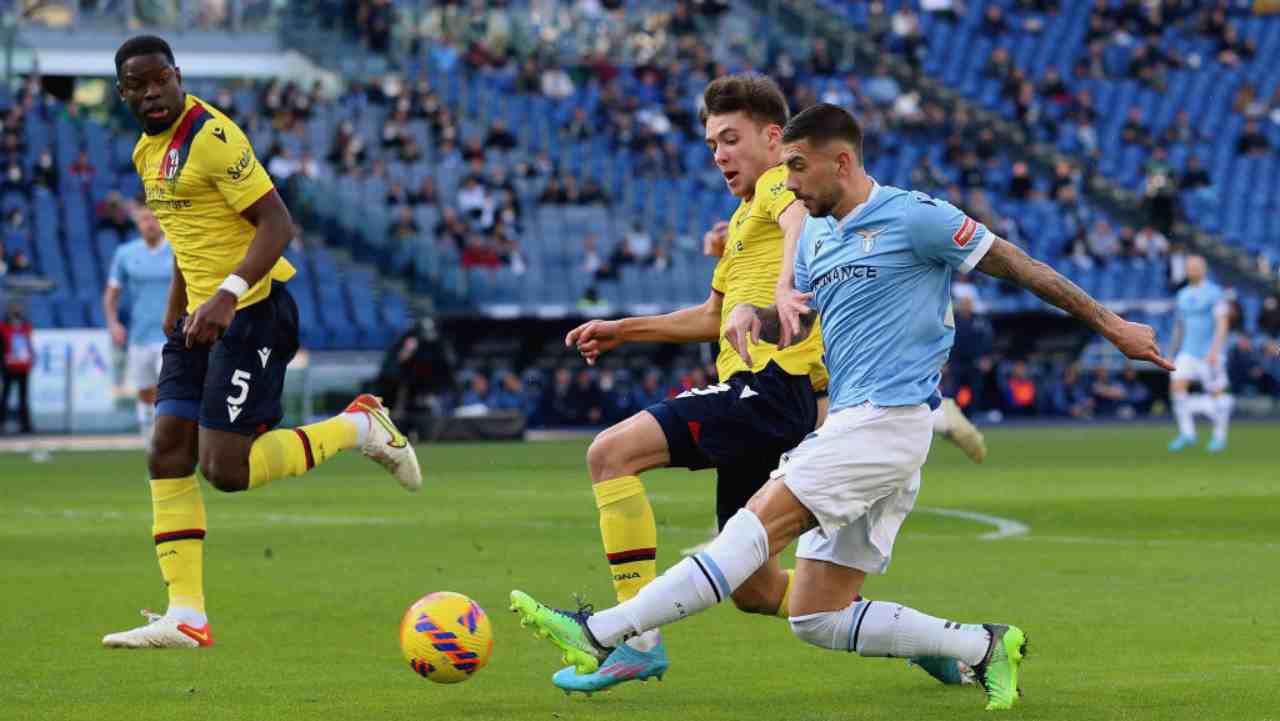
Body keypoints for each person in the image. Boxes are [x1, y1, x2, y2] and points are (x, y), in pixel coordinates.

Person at [513, 102, 1171, 711]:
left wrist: (1112, 324)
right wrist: (755, 316)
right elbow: (793, 327)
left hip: (885, 421)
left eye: (798, 167)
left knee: (748, 530)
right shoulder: (822, 244)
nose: (789, 182)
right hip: (866, 426)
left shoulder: (918, 216)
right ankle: (982, 645)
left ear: (842, 163)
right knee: (815, 614)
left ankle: (606, 630)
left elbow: (1022, 266)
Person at [556, 75, 978, 696]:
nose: (719, 154)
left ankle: (634, 640)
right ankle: (925, 644)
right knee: (757, 591)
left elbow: (796, 228)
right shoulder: (741, 221)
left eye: (731, 139)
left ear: (775, 138)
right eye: (710, 144)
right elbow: (710, 316)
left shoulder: (785, 189)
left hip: (771, 387)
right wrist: (626, 329)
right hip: (761, 396)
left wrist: (785, 286)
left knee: (610, 453)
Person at [102, 36, 421, 650]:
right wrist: (180, 310)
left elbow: (278, 224)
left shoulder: (213, 138)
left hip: (251, 313)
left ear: (177, 75)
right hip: (200, 319)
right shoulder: (147, 151)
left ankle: (360, 428)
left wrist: (223, 295)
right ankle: (186, 616)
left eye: (158, 80)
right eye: (136, 86)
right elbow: (186, 236)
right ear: (123, 94)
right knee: (167, 450)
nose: (150, 93)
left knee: (226, 469)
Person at [104, 204, 173, 441]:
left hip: (171, 337)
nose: (150, 223)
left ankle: (171, 448)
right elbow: (112, 293)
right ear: (137, 223)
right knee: (145, 393)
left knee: (168, 393)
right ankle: (150, 445)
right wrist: (113, 323)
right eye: (145, 219)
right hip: (140, 336)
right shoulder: (126, 253)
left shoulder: (178, 250)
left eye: (154, 217)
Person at [1166, 255, 1232, 452]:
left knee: (1217, 393)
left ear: (1204, 269)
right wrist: (1171, 352)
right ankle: (1188, 433)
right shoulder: (1182, 295)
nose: (1193, 270)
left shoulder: (1215, 293)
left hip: (1209, 353)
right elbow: (1179, 328)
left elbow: (1222, 324)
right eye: (1190, 267)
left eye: (1196, 267)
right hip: (1187, 351)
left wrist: (1215, 351)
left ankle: (1219, 437)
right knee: (1177, 387)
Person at [0, 301, 34, 434]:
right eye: (14, 308)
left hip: (23, 367)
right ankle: (1, 423)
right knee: (5, 396)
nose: (17, 310)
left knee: (23, 398)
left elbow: (28, 346)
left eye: (19, 308)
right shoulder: (3, 328)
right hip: (8, 367)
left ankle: (25, 425)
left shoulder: (26, 327)